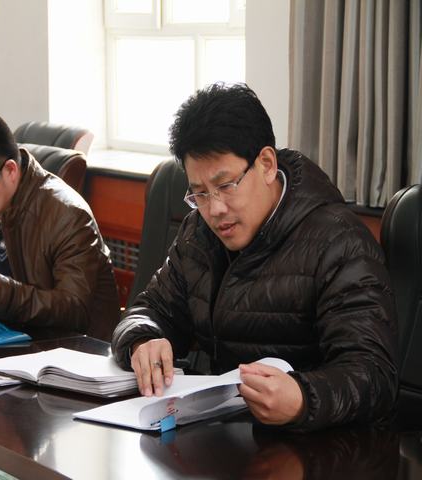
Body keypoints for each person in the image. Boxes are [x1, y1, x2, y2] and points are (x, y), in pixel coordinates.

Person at [112, 83, 398, 431]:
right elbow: (148, 309)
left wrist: (303, 398)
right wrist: (142, 339)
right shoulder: (197, 232)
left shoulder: (340, 242)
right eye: (200, 193)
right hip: (224, 433)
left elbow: (374, 375)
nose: (215, 209)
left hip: (318, 444)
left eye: (226, 186)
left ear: (266, 164)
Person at [0, 110, 119, 340]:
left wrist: (0, 293)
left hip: (70, 350)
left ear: (10, 171)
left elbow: (75, 310)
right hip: (6, 343)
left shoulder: (68, 214)